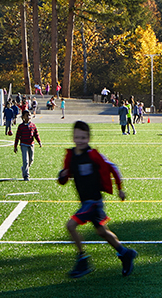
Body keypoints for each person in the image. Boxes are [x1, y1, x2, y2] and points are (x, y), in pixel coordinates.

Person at [57, 121, 136, 278]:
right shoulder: (70, 156)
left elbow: (113, 168)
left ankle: (83, 260)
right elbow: (64, 177)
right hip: (85, 201)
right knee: (101, 231)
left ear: (88, 138)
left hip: (93, 201)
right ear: (73, 137)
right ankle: (125, 253)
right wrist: (62, 176)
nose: (80, 140)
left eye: (83, 137)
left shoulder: (93, 155)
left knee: (71, 226)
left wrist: (120, 189)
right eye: (77, 137)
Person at [14, 110, 40, 181]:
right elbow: (17, 136)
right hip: (23, 145)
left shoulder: (33, 125)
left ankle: (24, 168)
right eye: (26, 115)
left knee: (31, 160)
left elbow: (36, 134)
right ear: (23, 117)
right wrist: (15, 146)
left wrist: (39, 141)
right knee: (25, 160)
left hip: (31, 145)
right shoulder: (21, 126)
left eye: (29, 115)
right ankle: (26, 175)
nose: (28, 117)